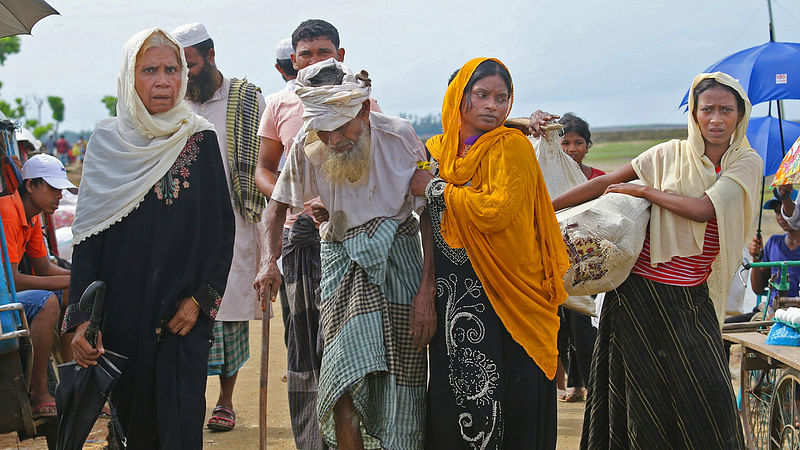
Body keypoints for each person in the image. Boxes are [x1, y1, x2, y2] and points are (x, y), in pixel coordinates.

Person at [552, 72, 761, 448]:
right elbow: (604, 182)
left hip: (690, 298)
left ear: (739, 114)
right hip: (636, 295)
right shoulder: (668, 153)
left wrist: (646, 190)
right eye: (707, 109)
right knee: (637, 401)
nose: (716, 118)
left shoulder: (744, 162)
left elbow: (702, 209)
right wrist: (544, 210)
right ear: (694, 114)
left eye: (725, 110)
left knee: (707, 398)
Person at [63, 28, 234, 449]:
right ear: (129, 77)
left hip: (181, 318)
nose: (163, 81)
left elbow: (220, 230)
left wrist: (200, 299)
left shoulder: (199, 139)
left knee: (180, 423)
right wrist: (82, 319)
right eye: (150, 70)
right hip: (122, 318)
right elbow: (88, 236)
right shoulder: (108, 142)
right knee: (132, 426)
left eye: (172, 69)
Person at [255, 59, 434, 449]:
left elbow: (428, 218)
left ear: (365, 110)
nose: (335, 140)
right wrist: (268, 261)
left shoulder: (401, 137)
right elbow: (277, 206)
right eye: (325, 129)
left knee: (401, 384)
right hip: (341, 264)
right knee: (342, 382)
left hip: (400, 264)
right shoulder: (308, 141)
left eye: (343, 127)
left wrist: (426, 293)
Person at [411, 57, 569, 449]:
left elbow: (495, 212)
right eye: (481, 95)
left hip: (510, 295)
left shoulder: (511, 148)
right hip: (454, 294)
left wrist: (435, 189)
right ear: (457, 99)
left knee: (514, 397)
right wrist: (426, 289)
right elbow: (426, 225)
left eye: (502, 98)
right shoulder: (437, 154)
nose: (492, 106)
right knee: (459, 397)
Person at [255, 19, 379, 449]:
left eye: (323, 52)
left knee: (349, 347)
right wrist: (293, 197)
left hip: (354, 241)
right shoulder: (280, 106)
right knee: (304, 349)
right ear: (293, 61)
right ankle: (312, 442)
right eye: (305, 55)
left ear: (340, 56)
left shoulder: (364, 104)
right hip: (300, 238)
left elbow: (379, 174)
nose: (315, 61)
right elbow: (264, 170)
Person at [171, 22, 266, 433]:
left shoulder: (247, 98)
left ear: (210, 55)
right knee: (185, 310)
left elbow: (265, 155)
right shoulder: (174, 102)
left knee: (229, 316)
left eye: (189, 65)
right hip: (185, 226)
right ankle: (189, 400)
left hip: (239, 220)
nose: (185, 75)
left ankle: (225, 401)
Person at [0, 154, 75, 419]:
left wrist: (78, 277)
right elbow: (13, 280)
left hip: (8, 289)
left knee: (72, 293)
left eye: (60, 190)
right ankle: (39, 392)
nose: (58, 195)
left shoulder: (32, 216)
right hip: (3, 294)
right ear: (30, 185)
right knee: (48, 302)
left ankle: (72, 384)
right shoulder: (8, 212)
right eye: (53, 188)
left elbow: (43, 267)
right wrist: (73, 279)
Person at [554, 113, 601, 403]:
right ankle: (575, 383)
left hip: (589, 261)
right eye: (566, 142)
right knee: (561, 326)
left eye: (578, 142)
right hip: (558, 258)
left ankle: (594, 385)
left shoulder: (596, 179)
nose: (572, 149)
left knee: (583, 324)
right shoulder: (551, 179)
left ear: (588, 145)